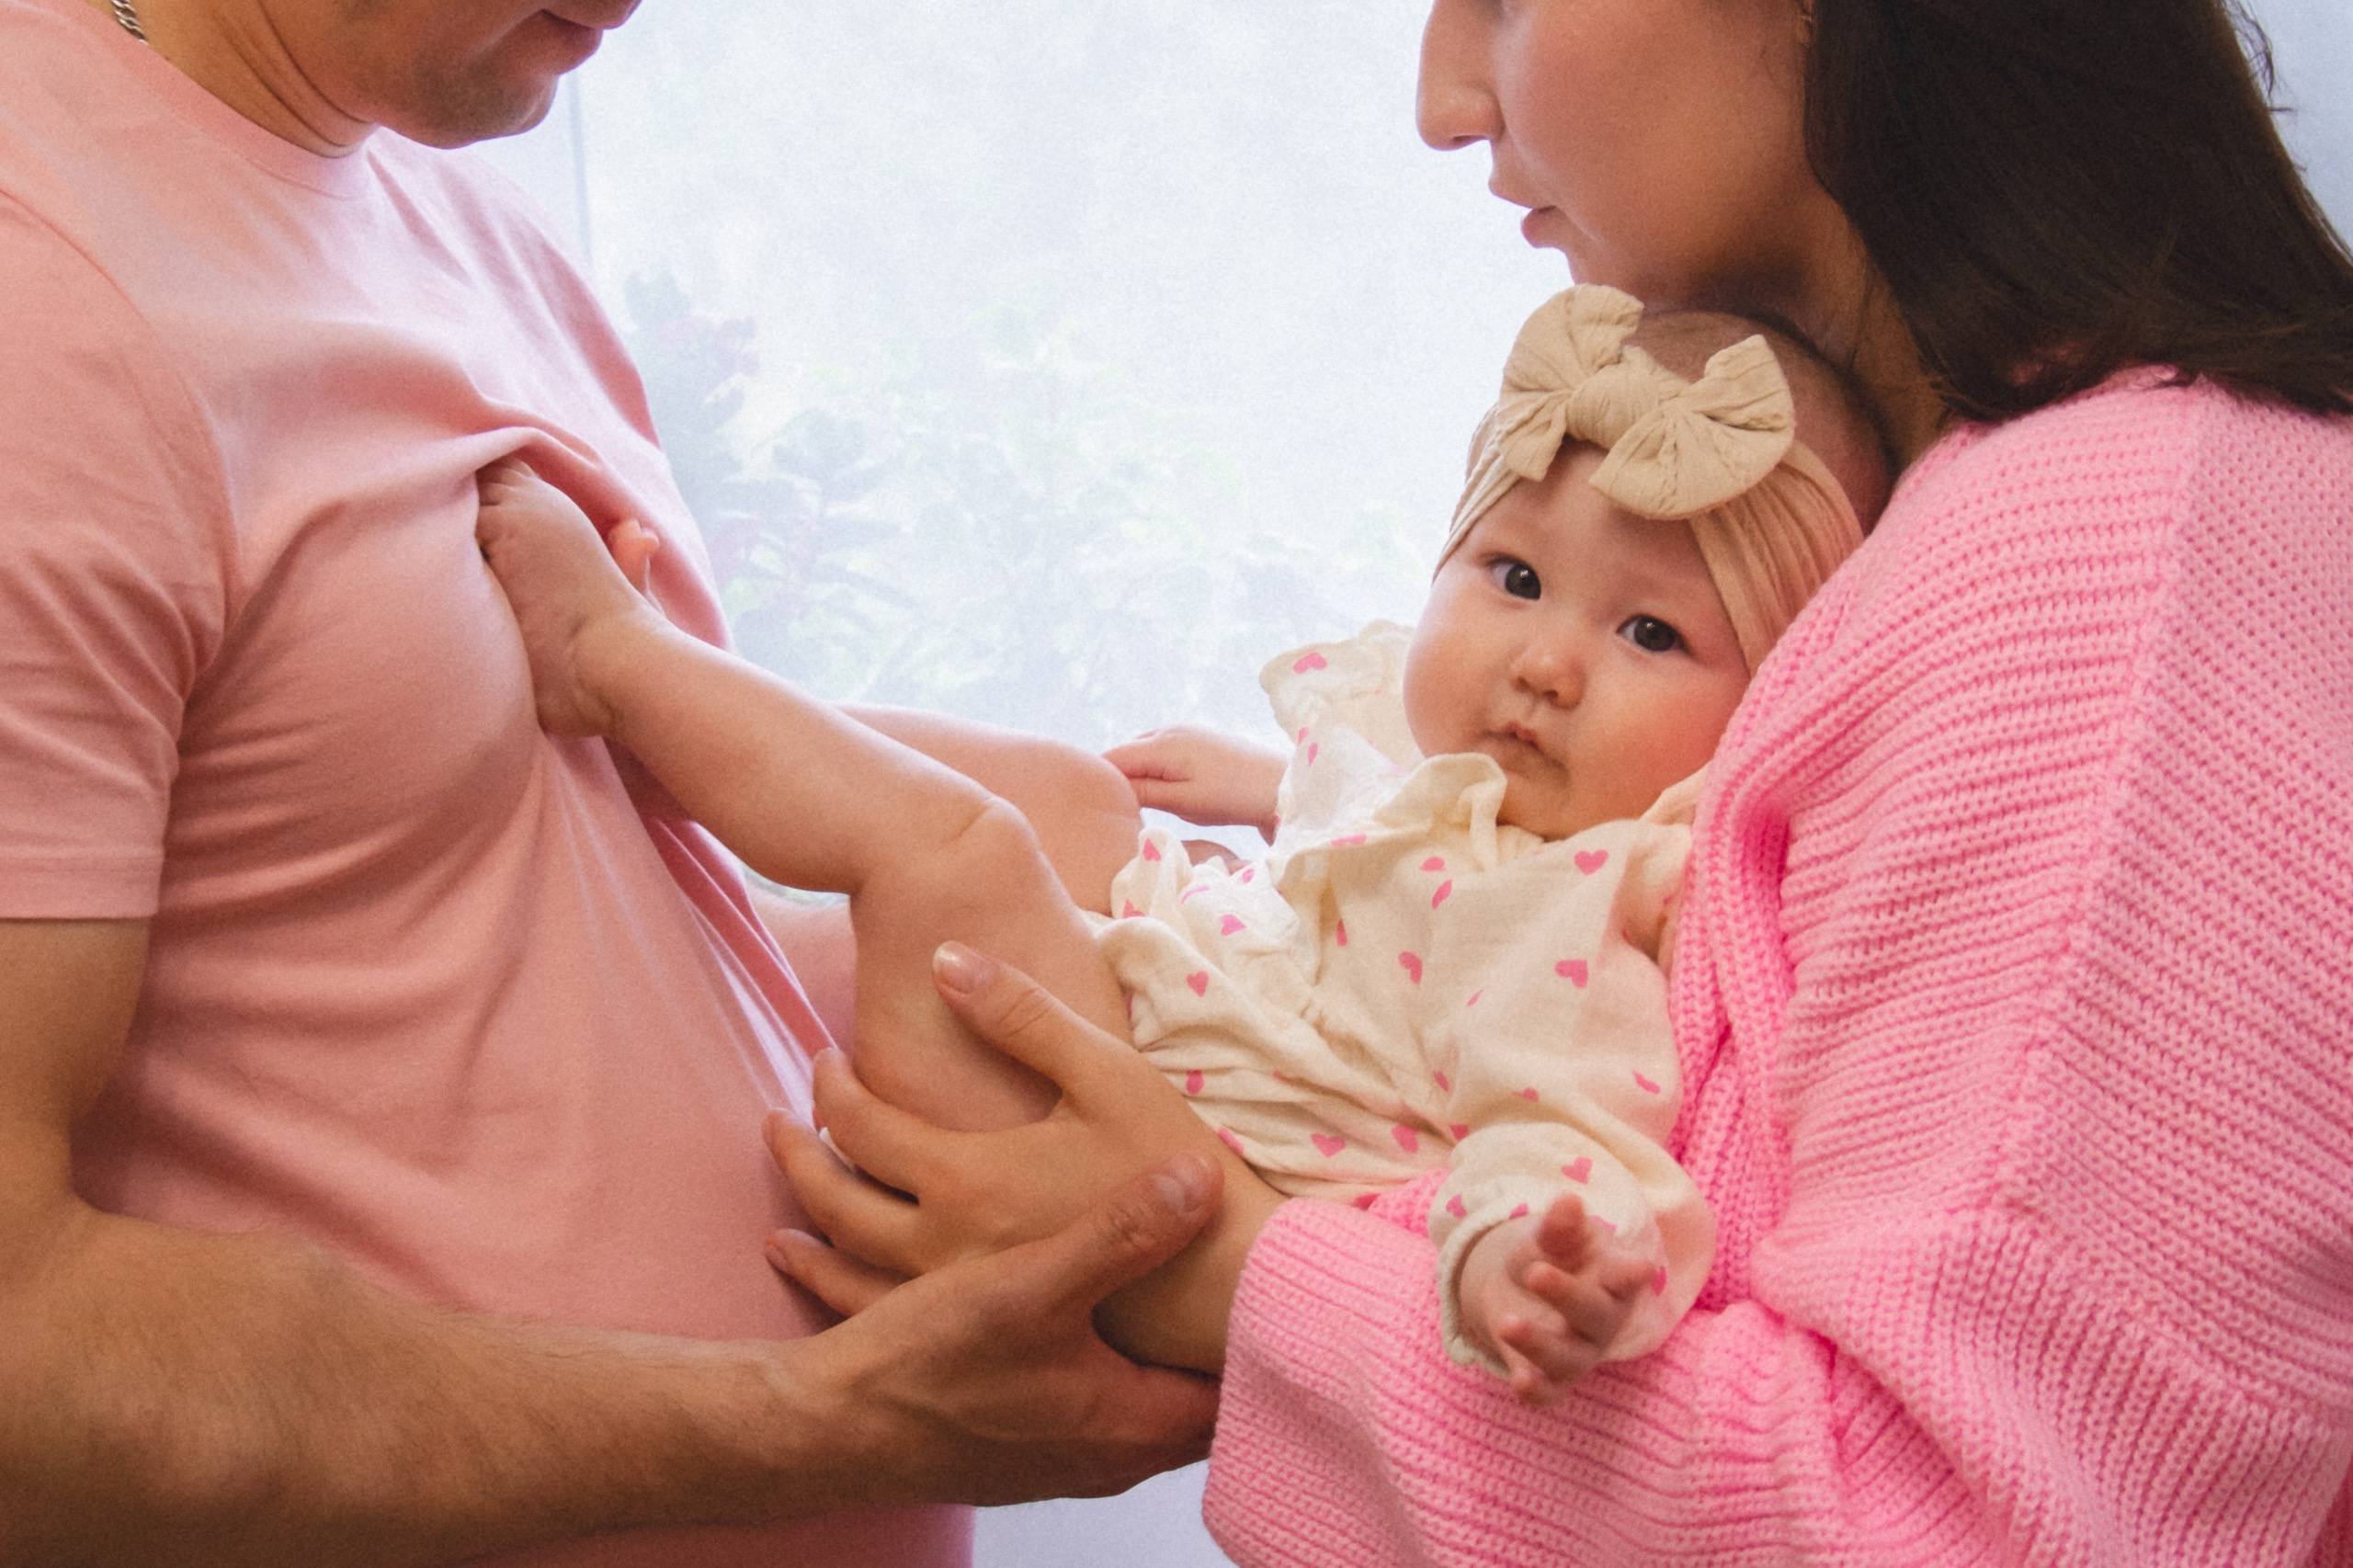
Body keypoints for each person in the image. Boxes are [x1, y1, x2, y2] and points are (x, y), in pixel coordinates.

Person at [766, 0, 2353, 1561]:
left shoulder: (2115, 567)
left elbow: (1962, 1523)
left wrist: (1228, 1264)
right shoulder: (2028, 515)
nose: (1445, 97)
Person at [0, 0, 1218, 1562]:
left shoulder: (454, 205)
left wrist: (1043, 925)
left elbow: (468, 913)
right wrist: (834, 1418)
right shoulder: (44, 306)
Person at [472, 284, 1884, 1403]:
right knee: (1083, 799)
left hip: (1121, 1151)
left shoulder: (1570, 913)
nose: (1546, 662)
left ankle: (613, 666)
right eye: (1512, 576)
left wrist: (1523, 1259)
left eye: (1650, 632)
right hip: (1168, 1019)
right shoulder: (1477, 790)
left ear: (1764, 707)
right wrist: (1270, 783)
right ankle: (732, 739)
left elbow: (1555, 1128)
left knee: (960, 848)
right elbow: (1390, 830)